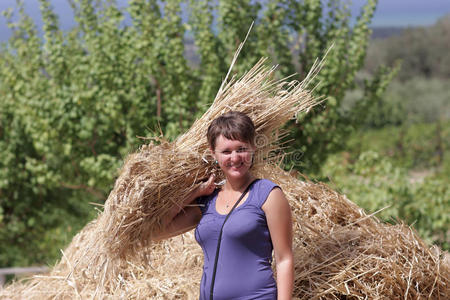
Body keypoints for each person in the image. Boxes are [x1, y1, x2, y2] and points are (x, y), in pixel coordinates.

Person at [154, 111, 294, 300]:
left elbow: (284, 259)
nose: (235, 158)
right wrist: (193, 193)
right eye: (226, 151)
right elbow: (158, 230)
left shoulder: (267, 194)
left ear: (253, 147)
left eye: (241, 149)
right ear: (213, 154)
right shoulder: (207, 201)